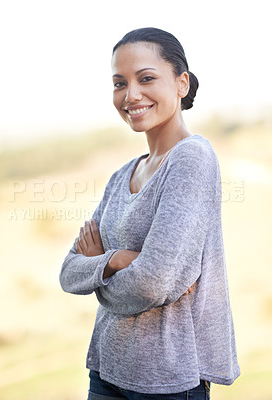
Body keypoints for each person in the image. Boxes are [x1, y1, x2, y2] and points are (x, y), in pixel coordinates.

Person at [59, 27, 240, 399]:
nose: (131, 95)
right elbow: (67, 272)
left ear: (181, 83)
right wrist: (118, 260)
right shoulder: (120, 175)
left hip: (165, 381)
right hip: (105, 372)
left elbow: (152, 283)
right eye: (119, 83)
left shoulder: (191, 158)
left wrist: (99, 270)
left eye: (146, 78)